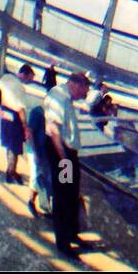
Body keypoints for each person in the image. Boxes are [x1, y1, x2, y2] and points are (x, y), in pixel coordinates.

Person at [44, 71, 91, 257]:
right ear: (77, 85)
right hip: (62, 154)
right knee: (63, 196)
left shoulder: (66, 98)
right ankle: (63, 243)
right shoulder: (58, 96)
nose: (84, 96)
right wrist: (64, 159)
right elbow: (53, 129)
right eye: (84, 92)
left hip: (67, 154)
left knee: (71, 195)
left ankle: (72, 234)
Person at [0, 64, 35, 184]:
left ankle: (11, 170)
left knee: (9, 146)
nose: (30, 81)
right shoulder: (20, 88)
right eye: (30, 78)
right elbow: (21, 110)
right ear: (24, 75)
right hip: (15, 120)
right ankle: (10, 173)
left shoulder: (7, 78)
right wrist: (25, 126)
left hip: (6, 117)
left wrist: (1, 108)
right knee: (15, 148)